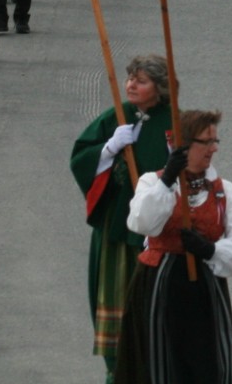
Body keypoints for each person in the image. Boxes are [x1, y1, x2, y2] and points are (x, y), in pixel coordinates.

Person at [115, 108, 232, 384]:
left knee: (206, 365)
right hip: (159, 287)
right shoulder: (152, 182)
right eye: (207, 142)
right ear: (184, 145)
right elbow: (140, 223)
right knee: (159, 365)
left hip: (203, 289)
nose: (214, 149)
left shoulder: (223, 190)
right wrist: (167, 181)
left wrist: (210, 250)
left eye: (216, 141)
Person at [69, 55, 177, 382]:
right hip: (115, 230)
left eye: (141, 81)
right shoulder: (115, 118)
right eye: (130, 78)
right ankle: (116, 371)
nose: (131, 84)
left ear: (159, 88)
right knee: (114, 301)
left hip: (155, 234)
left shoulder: (175, 124)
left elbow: (187, 174)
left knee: (151, 307)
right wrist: (108, 149)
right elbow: (81, 159)